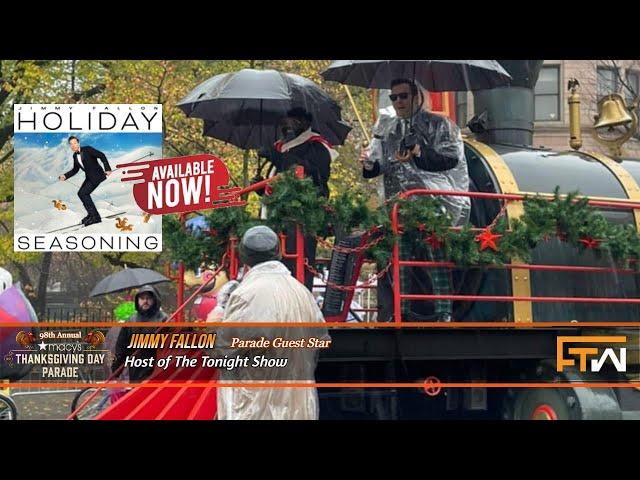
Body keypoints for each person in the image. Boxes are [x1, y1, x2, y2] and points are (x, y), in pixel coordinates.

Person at [360, 78, 470, 322]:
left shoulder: (441, 124)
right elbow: (379, 166)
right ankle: (403, 310)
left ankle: (444, 311)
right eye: (393, 97)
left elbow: (450, 160)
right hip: (399, 205)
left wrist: (420, 151)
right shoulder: (388, 128)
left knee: (436, 256)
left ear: (417, 97)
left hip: (434, 203)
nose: (398, 101)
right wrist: (369, 164)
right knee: (402, 257)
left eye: (403, 96)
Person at [215, 225, 329, 420]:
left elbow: (224, 352)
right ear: (278, 253)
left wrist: (216, 316)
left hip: (256, 407)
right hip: (299, 405)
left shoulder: (244, 294)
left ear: (244, 256)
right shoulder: (302, 292)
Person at [255, 107, 338, 291]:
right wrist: (261, 187)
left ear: (305, 123)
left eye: (292, 122)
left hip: (301, 220)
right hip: (276, 219)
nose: (286, 127)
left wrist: (277, 157)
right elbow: (279, 187)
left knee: (297, 266)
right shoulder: (281, 147)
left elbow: (312, 176)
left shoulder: (316, 147)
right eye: (283, 123)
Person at [111, 285, 168, 382]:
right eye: (142, 298)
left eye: (148, 298)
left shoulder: (163, 320)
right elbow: (121, 347)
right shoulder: (131, 321)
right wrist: (116, 370)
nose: (145, 301)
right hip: (136, 369)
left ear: (154, 299)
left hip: (156, 369)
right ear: (137, 300)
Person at [58, 136, 112, 226]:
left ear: (78, 143)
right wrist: (65, 176)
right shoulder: (75, 155)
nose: (73, 145)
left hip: (97, 176)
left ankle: (95, 217)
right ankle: (91, 214)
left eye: (75, 143)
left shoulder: (87, 149)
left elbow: (101, 155)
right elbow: (75, 170)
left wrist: (107, 168)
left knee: (84, 194)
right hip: (89, 177)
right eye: (71, 144)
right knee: (80, 193)